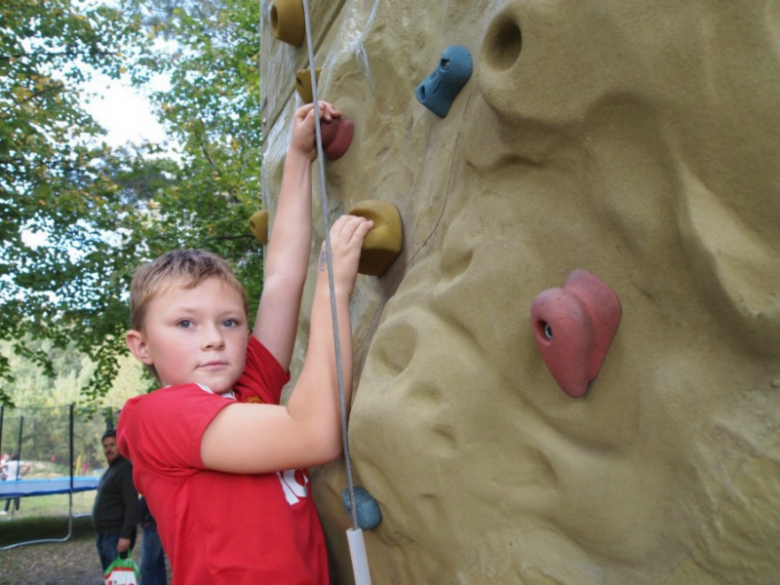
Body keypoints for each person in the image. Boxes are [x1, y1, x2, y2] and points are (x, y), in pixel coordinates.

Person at [117, 101, 373, 584]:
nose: (214, 340)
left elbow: (279, 277)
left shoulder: (248, 382)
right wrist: (333, 288)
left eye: (230, 322)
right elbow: (314, 435)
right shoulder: (157, 417)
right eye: (185, 325)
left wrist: (299, 158)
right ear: (141, 346)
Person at [93, 429, 138, 572]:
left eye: (112, 445)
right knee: (112, 579)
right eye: (105, 446)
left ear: (120, 445)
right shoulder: (113, 469)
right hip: (104, 536)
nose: (108, 449)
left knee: (120, 579)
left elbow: (131, 504)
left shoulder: (125, 468)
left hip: (115, 537)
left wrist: (125, 536)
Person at [138, 495, 167, 585]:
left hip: (152, 523)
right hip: (153, 522)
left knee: (148, 565)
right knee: (158, 561)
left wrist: (148, 518)